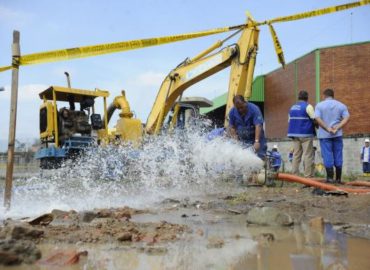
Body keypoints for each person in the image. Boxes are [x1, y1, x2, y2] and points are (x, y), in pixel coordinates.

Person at [315, 89, 350, 183]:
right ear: (333, 95)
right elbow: (347, 117)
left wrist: (327, 128)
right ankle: (338, 179)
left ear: (324, 96)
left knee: (327, 155)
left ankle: (330, 179)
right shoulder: (341, 105)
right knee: (338, 154)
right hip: (337, 135)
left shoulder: (319, 105)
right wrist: (337, 127)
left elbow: (317, 118)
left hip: (325, 135)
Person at [287, 90, 315, 178]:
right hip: (305, 134)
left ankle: (295, 176)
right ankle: (308, 176)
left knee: (296, 155)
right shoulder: (308, 106)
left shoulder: (292, 108)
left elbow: (289, 121)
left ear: (298, 98)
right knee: (307, 155)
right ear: (307, 98)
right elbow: (314, 119)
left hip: (294, 134)